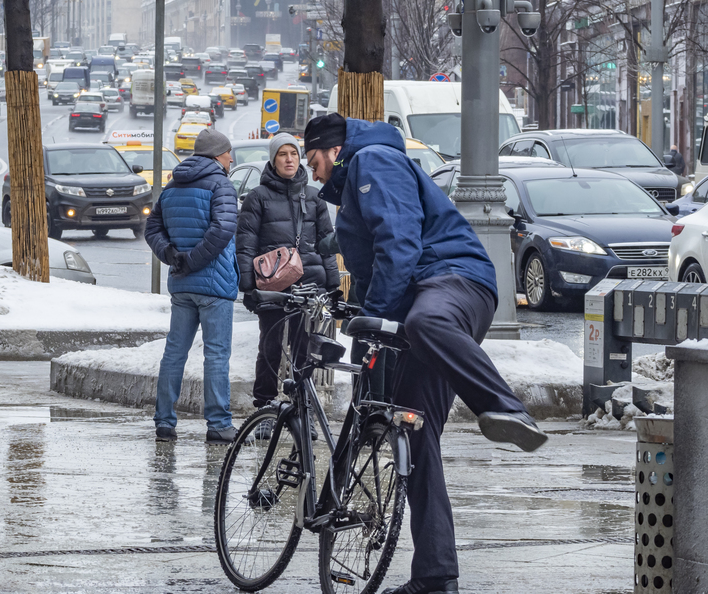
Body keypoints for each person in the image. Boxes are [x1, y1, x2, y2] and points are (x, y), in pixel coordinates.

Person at [303, 112, 548, 594]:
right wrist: (366, 332)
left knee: (425, 322)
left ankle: (504, 407)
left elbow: (399, 245)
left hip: (454, 281)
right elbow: (374, 274)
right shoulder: (350, 194)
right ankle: (436, 577)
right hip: (417, 296)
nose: (312, 172)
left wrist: (374, 319)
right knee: (412, 432)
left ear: (334, 150)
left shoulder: (374, 159)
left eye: (313, 159)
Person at [144, 128, 240, 445]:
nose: (230, 158)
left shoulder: (172, 186)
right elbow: (223, 229)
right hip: (214, 286)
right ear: (217, 155)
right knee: (215, 356)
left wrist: (172, 255)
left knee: (174, 353)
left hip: (182, 284)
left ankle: (164, 423)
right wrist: (195, 260)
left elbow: (152, 228)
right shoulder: (221, 185)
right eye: (228, 153)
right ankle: (219, 424)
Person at [236, 132, 339, 407]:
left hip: (308, 284)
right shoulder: (257, 198)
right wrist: (248, 287)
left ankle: (301, 407)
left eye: (293, 153)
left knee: (303, 350)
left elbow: (326, 242)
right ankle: (265, 406)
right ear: (273, 160)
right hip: (272, 287)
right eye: (283, 154)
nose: (289, 159)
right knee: (269, 348)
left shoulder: (314, 197)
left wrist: (333, 284)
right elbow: (245, 244)